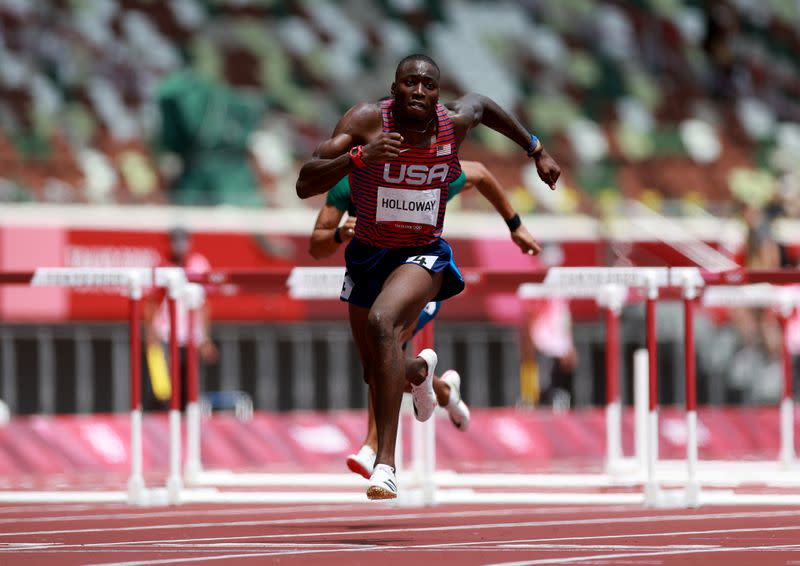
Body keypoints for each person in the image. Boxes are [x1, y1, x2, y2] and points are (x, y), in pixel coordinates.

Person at [296, 54, 560, 499]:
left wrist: (536, 150)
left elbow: (485, 106)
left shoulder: (452, 125)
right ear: (394, 87)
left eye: (428, 85)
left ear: (437, 93)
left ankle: (386, 465)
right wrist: (360, 157)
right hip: (367, 257)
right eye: (410, 82)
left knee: (384, 324)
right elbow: (305, 183)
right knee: (376, 373)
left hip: (422, 255)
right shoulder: (364, 121)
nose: (419, 91)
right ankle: (420, 374)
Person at [310, 160, 541, 478]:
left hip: (418, 272)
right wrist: (339, 232)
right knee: (373, 368)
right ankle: (442, 389)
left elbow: (482, 174)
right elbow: (316, 245)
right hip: (368, 277)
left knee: (384, 346)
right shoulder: (350, 183)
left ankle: (374, 447)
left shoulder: (426, 171)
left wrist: (515, 225)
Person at [145, 227, 218, 410]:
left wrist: (206, 339)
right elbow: (152, 302)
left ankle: (186, 431)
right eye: (174, 241)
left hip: (191, 338)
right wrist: (150, 334)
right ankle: (162, 428)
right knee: (163, 390)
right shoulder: (162, 266)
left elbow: (204, 305)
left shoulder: (199, 264)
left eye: (182, 240)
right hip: (165, 337)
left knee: (189, 390)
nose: (178, 245)